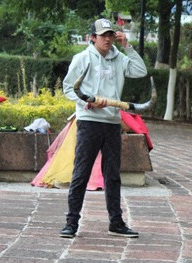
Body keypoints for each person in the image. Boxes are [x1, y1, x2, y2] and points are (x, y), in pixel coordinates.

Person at [59, 18, 148, 238]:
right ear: (93, 38)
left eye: (110, 35)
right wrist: (86, 102)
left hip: (112, 122)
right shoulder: (82, 58)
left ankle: (116, 223)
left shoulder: (119, 59)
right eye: (103, 35)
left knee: (112, 175)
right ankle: (71, 223)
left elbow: (140, 71)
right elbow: (68, 87)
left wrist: (127, 46)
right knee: (82, 172)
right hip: (89, 121)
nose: (107, 39)